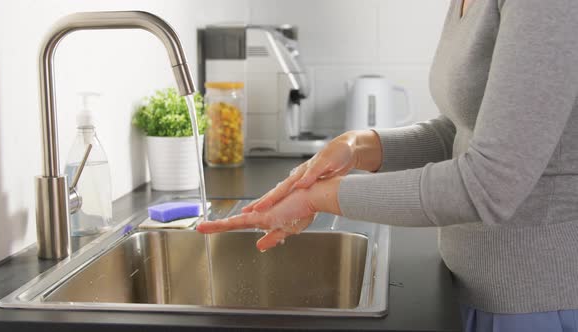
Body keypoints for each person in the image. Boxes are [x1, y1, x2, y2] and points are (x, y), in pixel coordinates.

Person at [197, 0, 578, 330]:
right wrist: (360, 145)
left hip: (533, 301)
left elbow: (490, 185)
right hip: (474, 285)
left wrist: (319, 197)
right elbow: (464, 130)